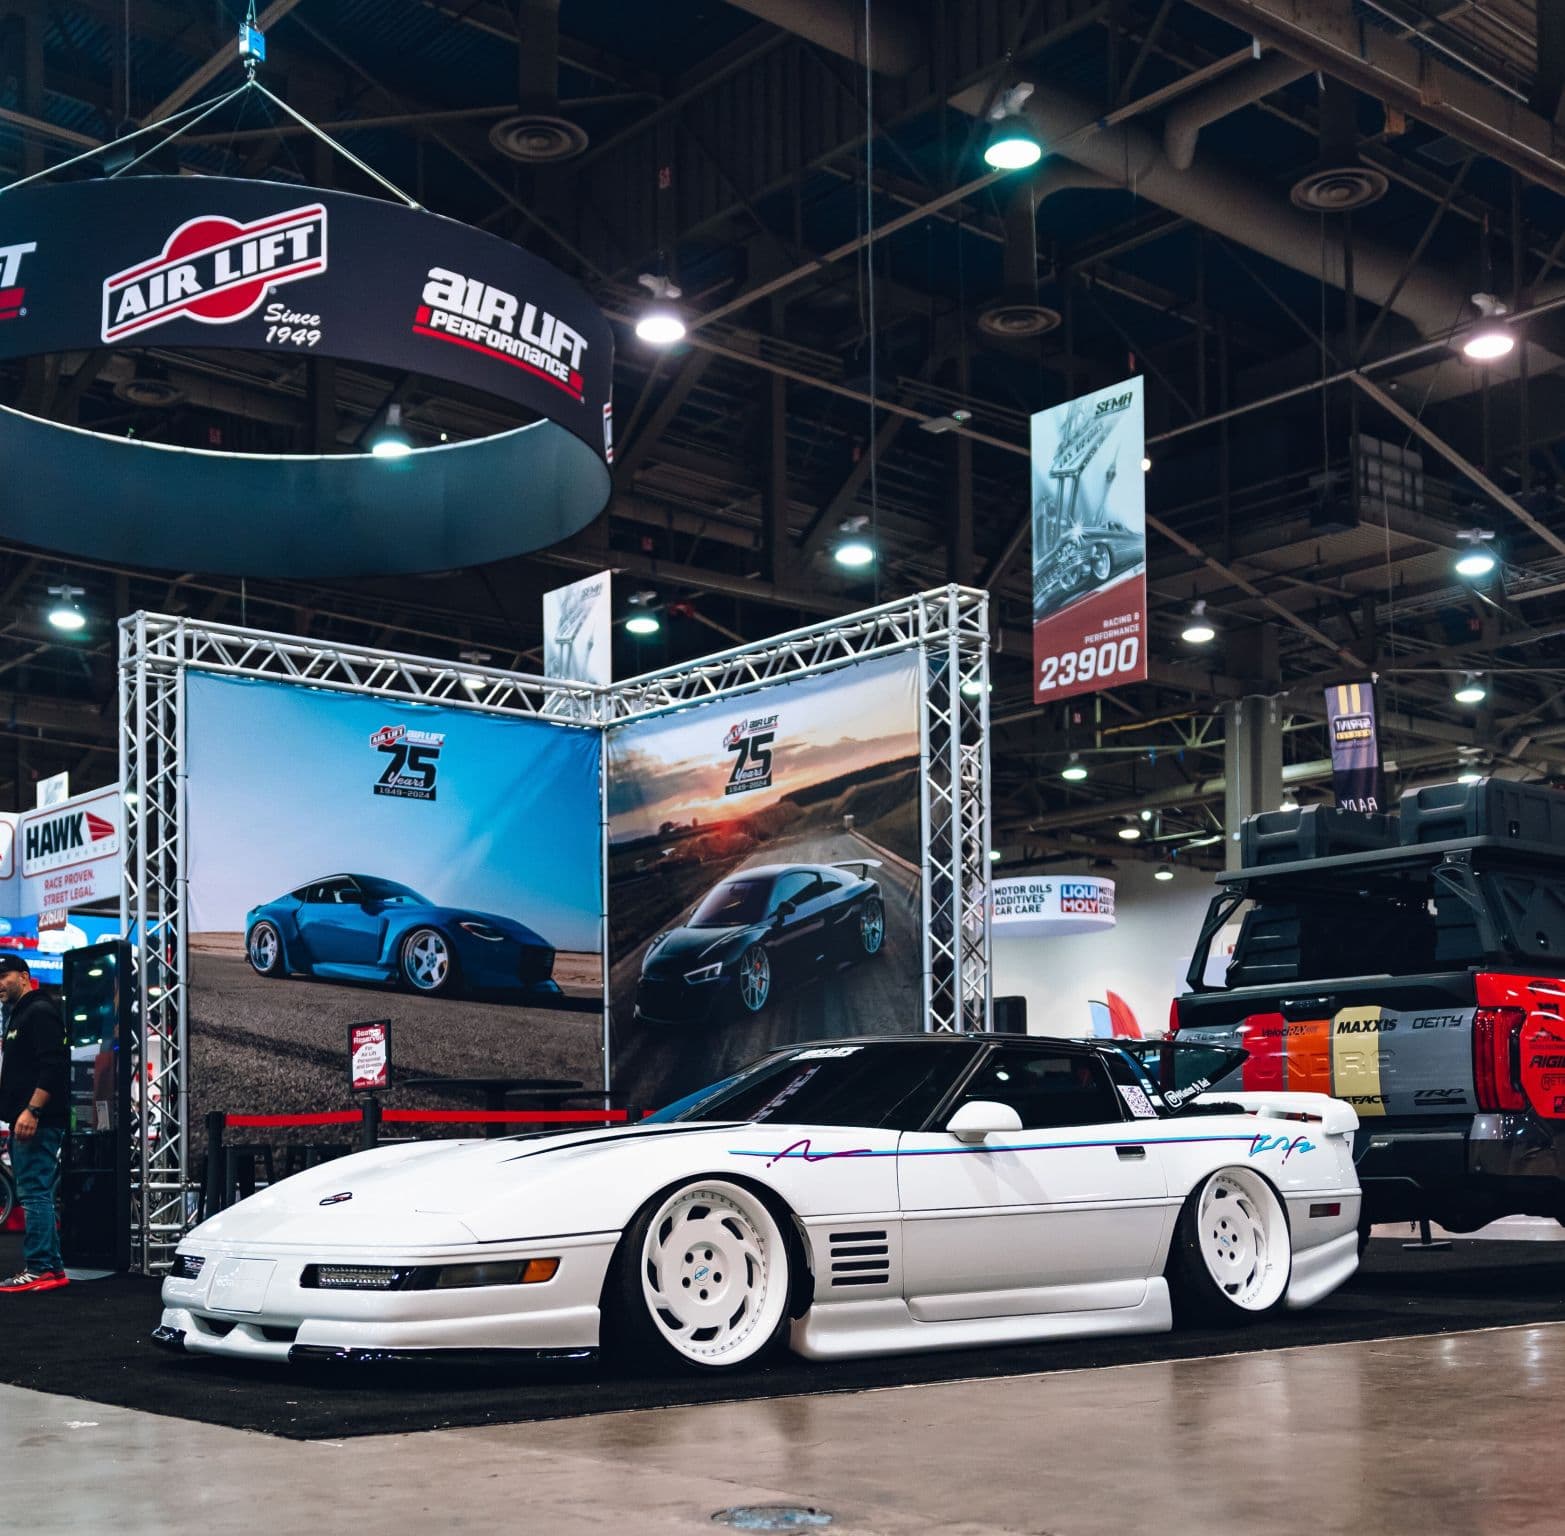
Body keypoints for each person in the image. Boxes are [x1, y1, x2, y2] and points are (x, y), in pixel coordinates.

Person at [0, 955, 70, 1291]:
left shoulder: (39, 1011)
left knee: (33, 1193)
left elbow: (53, 1065)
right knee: (34, 1191)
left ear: (24, 977)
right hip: (26, 1119)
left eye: (3, 976)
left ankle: (40, 1267)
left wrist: (32, 1110)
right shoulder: (21, 1014)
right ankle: (52, 1269)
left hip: (36, 1120)